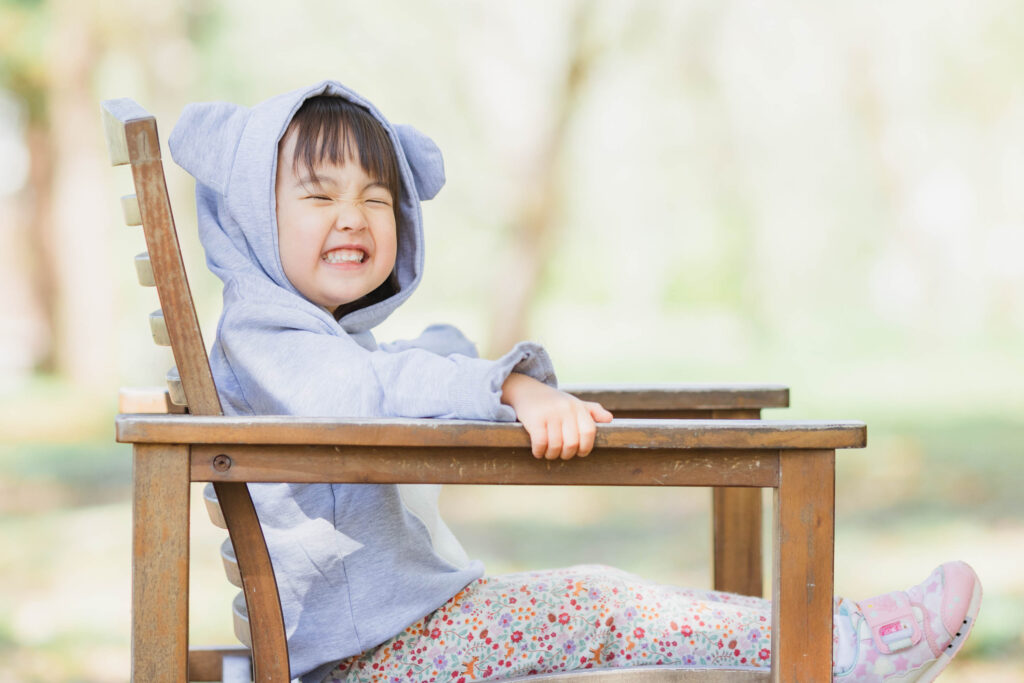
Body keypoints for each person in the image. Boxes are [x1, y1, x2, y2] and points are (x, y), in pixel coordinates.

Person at [168, 80, 982, 683]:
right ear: (250, 214)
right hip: (378, 654)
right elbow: (364, 394)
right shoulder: (270, 334)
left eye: (376, 198)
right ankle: (842, 646)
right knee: (602, 605)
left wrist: (457, 358)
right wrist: (508, 387)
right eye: (319, 195)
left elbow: (374, 372)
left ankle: (820, 643)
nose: (353, 215)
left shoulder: (303, 340)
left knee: (606, 608)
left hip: (390, 636)